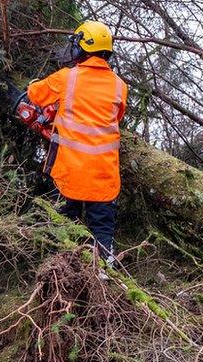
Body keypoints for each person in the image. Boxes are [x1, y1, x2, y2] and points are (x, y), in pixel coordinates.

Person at [27, 20, 129, 267]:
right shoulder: (120, 85)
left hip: (69, 172)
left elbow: (35, 94)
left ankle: (63, 272)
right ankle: (105, 271)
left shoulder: (66, 78)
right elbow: (117, 116)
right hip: (104, 174)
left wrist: (32, 86)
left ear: (83, 48)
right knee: (102, 228)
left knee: (64, 223)